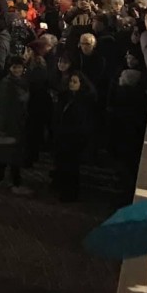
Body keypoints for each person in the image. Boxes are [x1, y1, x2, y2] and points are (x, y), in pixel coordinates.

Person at [0, 56, 32, 195]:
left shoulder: (16, 82)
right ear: (10, 68)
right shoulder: (8, 84)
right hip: (11, 125)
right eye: (15, 67)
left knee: (5, 154)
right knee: (13, 155)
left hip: (10, 124)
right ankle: (15, 183)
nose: (18, 70)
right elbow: (8, 106)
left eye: (20, 67)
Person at [52, 71, 96, 202]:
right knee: (63, 164)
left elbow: (84, 122)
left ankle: (70, 192)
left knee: (71, 166)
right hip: (62, 136)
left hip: (74, 138)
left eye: (75, 82)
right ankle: (62, 187)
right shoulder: (65, 97)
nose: (72, 84)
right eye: (71, 81)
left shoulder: (84, 101)